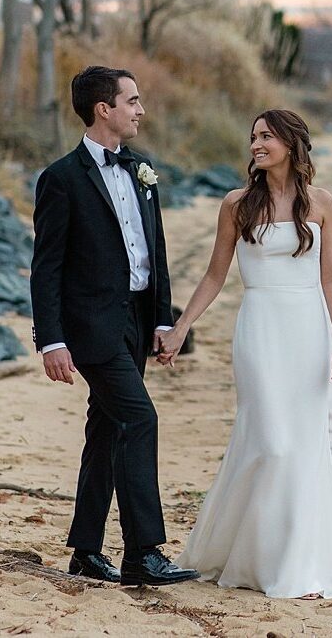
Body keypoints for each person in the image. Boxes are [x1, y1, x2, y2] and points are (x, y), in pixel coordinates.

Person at [156, 109, 332, 599]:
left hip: (307, 332)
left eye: (265, 136)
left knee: (303, 447)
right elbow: (216, 276)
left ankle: (292, 566)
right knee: (271, 443)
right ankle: (246, 554)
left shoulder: (322, 204)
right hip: (260, 328)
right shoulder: (237, 204)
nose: (256, 144)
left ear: (290, 142)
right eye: (253, 137)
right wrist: (181, 327)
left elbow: (331, 278)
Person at [30, 65, 199, 587]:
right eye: (133, 101)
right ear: (104, 109)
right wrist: (52, 339)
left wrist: (165, 322)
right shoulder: (60, 179)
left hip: (136, 320)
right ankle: (143, 552)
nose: (140, 110)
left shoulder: (141, 169)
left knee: (105, 430)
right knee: (139, 420)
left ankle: (85, 550)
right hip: (91, 327)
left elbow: (157, 252)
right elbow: (47, 267)